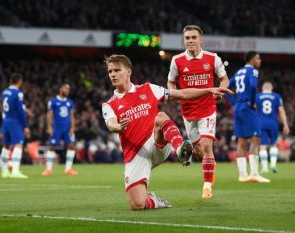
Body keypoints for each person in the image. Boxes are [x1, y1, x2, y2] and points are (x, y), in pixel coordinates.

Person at [102, 54, 233, 210]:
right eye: (110, 71)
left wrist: (208, 90)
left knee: (161, 116)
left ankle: (180, 150)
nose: (113, 74)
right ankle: (154, 201)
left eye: (117, 70)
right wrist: (118, 127)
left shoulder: (148, 89)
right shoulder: (109, 104)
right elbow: (111, 124)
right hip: (136, 155)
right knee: (137, 204)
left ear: (128, 71)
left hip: (156, 143)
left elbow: (182, 94)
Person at [167, 25, 229, 199]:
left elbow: (224, 79)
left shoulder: (213, 58)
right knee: (199, 151)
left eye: (193, 37)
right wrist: (176, 95)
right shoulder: (177, 60)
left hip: (208, 108)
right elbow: (171, 82)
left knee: (207, 145)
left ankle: (207, 186)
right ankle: (208, 166)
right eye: (187, 38)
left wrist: (220, 91)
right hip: (188, 111)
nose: (190, 41)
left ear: (200, 39)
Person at [229, 51, 270, 183]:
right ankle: (254, 173)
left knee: (241, 141)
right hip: (247, 107)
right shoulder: (253, 71)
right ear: (252, 59)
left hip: (238, 108)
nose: (260, 60)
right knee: (256, 139)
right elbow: (252, 86)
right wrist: (252, 102)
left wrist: (234, 102)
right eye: (258, 58)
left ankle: (242, 175)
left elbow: (226, 87)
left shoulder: (239, 72)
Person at [41, 83, 78, 176]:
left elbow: (72, 116)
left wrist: (72, 127)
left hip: (67, 128)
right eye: (66, 88)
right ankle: (48, 169)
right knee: (52, 146)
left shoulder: (70, 102)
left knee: (71, 146)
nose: (67, 91)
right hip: (56, 127)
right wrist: (49, 127)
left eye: (69, 89)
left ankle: (68, 169)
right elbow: (49, 115)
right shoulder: (53, 101)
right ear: (60, 88)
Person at [0, 73, 30, 179]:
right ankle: (15, 171)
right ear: (19, 82)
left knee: (6, 145)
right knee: (19, 144)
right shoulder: (18, 93)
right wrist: (25, 125)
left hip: (6, 119)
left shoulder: (4, 92)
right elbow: (21, 111)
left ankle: (4, 172)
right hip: (14, 121)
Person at [256, 81, 289, 173]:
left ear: (262, 88)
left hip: (261, 123)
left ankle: (264, 168)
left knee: (262, 146)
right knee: (274, 144)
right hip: (273, 123)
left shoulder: (257, 96)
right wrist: (285, 124)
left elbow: (253, 109)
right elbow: (281, 111)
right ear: (271, 88)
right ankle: (273, 165)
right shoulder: (276, 96)